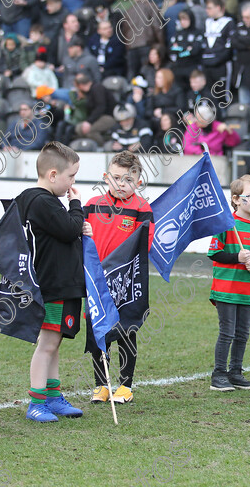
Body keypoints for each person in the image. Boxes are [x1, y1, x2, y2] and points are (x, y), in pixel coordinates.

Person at [16, 142, 88, 422]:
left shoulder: (38, 200)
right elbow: (70, 229)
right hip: (52, 285)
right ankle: (36, 402)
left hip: (61, 284)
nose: (73, 183)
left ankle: (54, 397)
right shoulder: (41, 201)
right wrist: (76, 205)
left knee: (54, 342)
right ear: (53, 174)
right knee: (47, 343)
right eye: (71, 177)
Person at [85, 151, 154, 404]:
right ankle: (101, 384)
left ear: (138, 182)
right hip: (95, 280)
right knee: (97, 333)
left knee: (125, 331)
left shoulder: (142, 209)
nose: (120, 184)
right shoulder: (91, 204)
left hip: (125, 283)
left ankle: (125, 385)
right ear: (106, 178)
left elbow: (144, 245)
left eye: (127, 179)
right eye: (115, 178)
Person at [207, 175, 250, 391]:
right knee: (228, 332)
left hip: (248, 290)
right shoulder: (226, 223)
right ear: (236, 199)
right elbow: (215, 253)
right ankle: (219, 374)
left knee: (243, 333)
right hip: (226, 289)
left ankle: (236, 372)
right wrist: (237, 258)